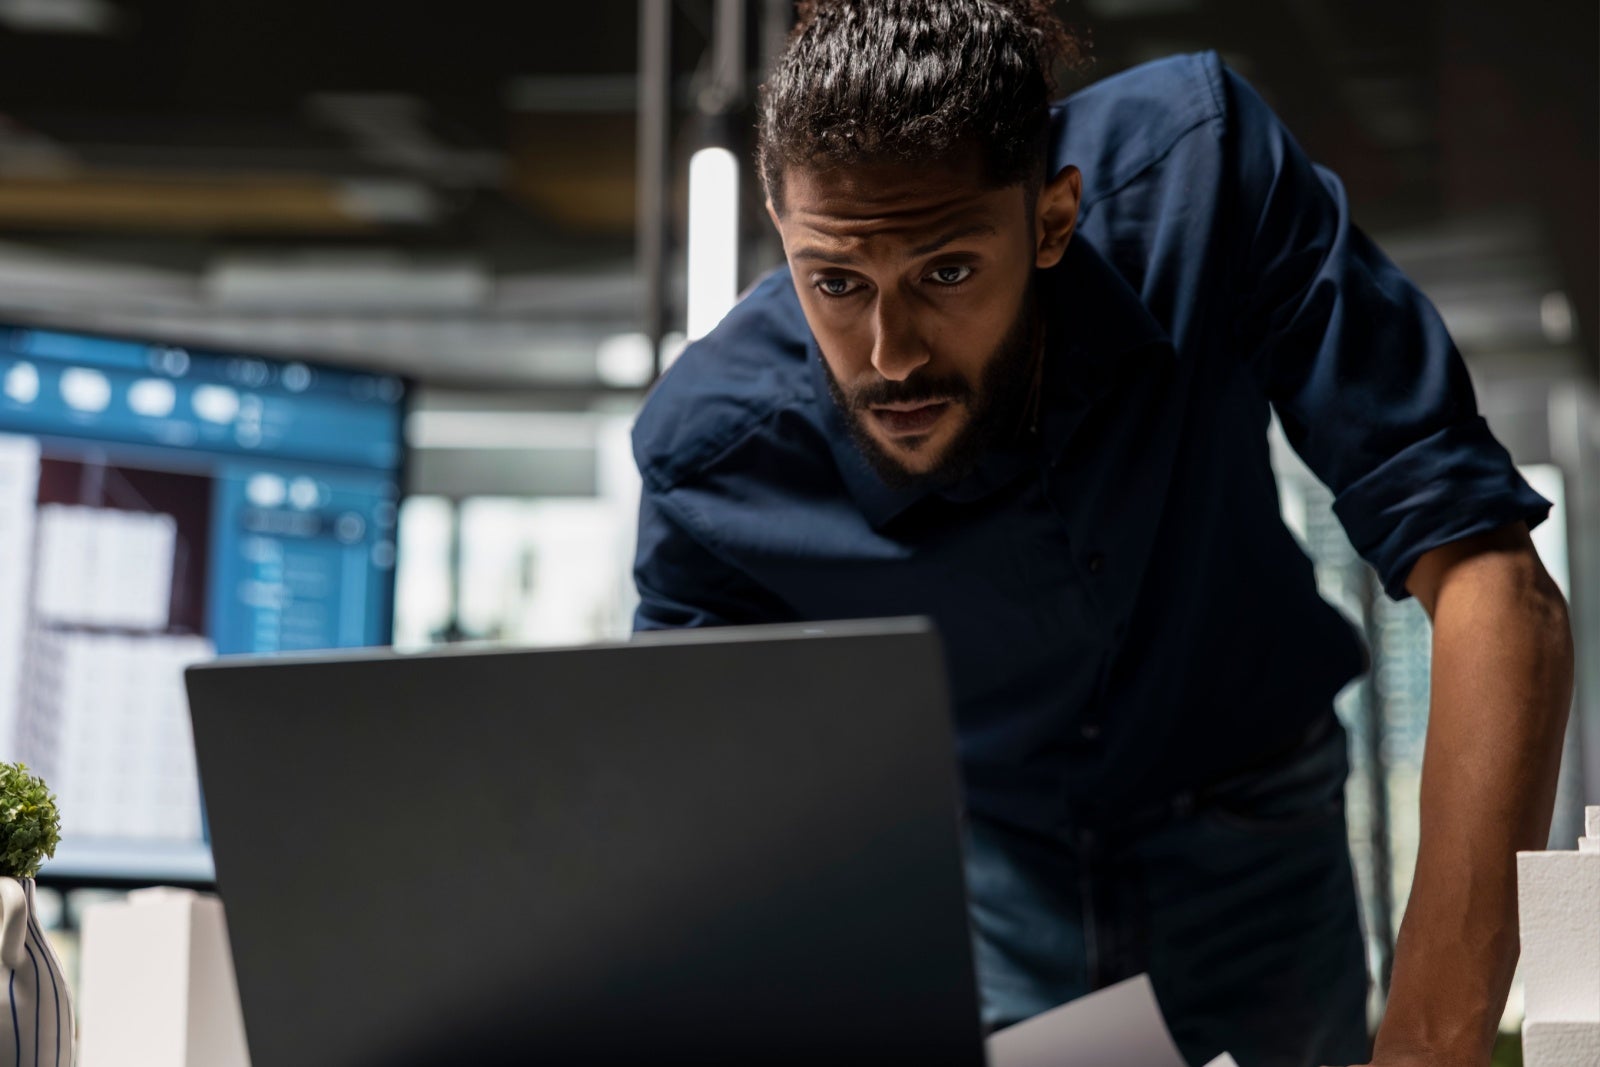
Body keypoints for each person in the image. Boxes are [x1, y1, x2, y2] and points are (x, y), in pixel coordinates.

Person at [629, 2, 1576, 1064]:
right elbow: (688, 835)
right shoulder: (710, 453)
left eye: (945, 271)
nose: (889, 354)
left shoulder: (1201, 172)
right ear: (778, 220)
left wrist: (1429, 1045)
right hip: (989, 873)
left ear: (1051, 217)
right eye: (836, 282)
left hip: (1257, 831)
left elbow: (1494, 580)